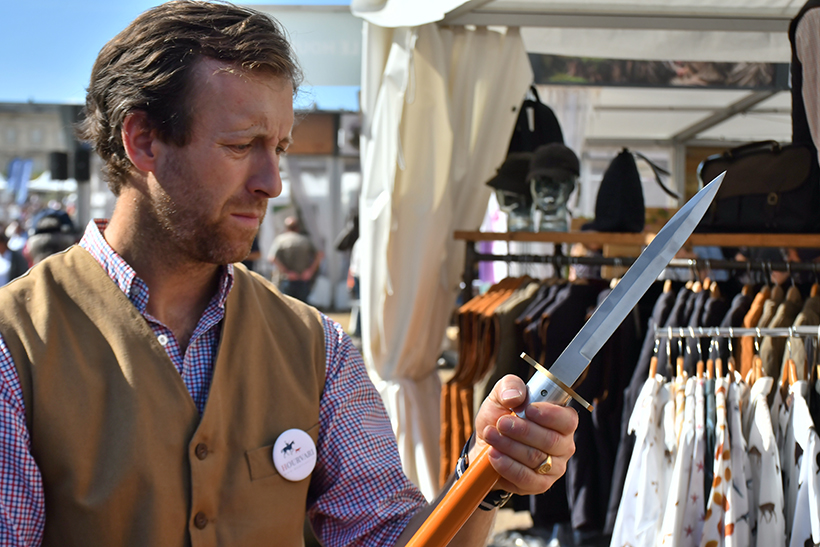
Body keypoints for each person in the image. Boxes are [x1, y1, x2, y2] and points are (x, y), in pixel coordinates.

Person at [0, 2, 577, 545]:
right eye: (240, 144)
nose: (271, 181)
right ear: (143, 139)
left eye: (278, 147)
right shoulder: (17, 342)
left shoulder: (314, 346)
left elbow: (385, 535)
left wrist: (484, 475)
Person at [267, 215, 323, 302]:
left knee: (286, 307)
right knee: (302, 309)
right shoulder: (306, 240)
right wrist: (309, 271)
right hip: (303, 278)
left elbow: (272, 258)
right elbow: (319, 255)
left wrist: (287, 272)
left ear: (286, 227)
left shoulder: (280, 240)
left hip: (287, 279)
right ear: (297, 227)